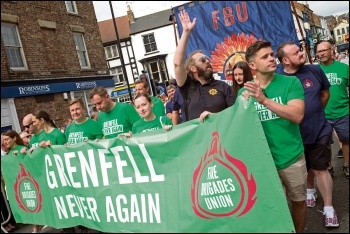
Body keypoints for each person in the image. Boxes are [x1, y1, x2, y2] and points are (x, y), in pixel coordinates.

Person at [240, 41, 306, 233]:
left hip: (292, 157)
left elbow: (297, 115)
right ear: (252, 65)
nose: (271, 58)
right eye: (265, 56)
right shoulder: (245, 93)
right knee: (275, 207)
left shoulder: (290, 82)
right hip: (264, 163)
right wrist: (210, 117)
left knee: (299, 202)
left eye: (271, 55)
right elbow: (234, 124)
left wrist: (265, 101)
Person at [277, 41, 339, 228]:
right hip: (293, 136)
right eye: (296, 52)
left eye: (300, 50)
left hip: (318, 129)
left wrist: (314, 114)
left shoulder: (314, 70)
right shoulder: (277, 77)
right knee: (306, 168)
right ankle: (310, 190)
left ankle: (329, 208)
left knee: (321, 167)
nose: (301, 53)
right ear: (285, 61)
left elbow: (324, 94)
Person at [173, 10, 236, 122]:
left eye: (207, 58)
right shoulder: (187, 87)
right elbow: (177, 63)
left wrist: (214, 117)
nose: (207, 61)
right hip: (198, 139)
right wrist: (186, 32)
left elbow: (235, 113)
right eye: (202, 60)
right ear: (192, 68)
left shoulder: (223, 86)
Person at [316, 41, 349, 179]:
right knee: (324, 144)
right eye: (319, 51)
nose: (322, 53)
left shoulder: (344, 68)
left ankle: (347, 165)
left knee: (346, 140)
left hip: (343, 111)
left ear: (331, 50)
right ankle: (328, 167)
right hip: (323, 114)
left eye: (324, 50)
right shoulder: (315, 70)